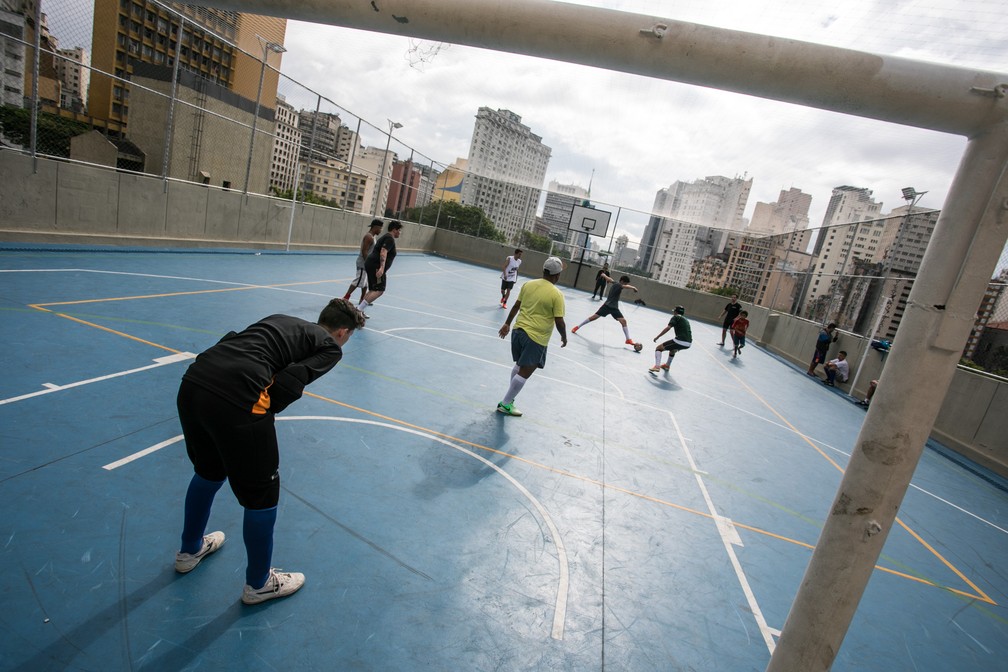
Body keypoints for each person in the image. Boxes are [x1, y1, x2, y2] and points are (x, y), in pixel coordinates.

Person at [174, 298, 366, 605]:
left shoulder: (280, 319)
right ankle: (259, 583)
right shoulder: (331, 347)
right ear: (343, 331)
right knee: (263, 496)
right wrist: (257, 419)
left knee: (208, 470)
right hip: (239, 398)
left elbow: (230, 339)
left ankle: (189, 549)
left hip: (194, 382)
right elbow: (290, 383)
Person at [496, 256, 568, 416]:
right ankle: (506, 403)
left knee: (519, 366)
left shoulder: (528, 284)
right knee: (525, 371)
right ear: (557, 276)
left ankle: (510, 399)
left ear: (543, 270)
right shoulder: (557, 295)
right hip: (536, 337)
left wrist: (507, 323)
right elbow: (559, 321)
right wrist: (564, 336)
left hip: (518, 331)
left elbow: (516, 305)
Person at [570, 273, 639, 347]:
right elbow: (625, 286)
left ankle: (628, 340)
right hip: (607, 306)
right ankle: (577, 327)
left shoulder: (615, 283)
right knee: (594, 317)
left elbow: (609, 279)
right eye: (625, 283)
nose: (625, 284)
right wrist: (633, 288)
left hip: (614, 308)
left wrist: (604, 275)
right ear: (622, 281)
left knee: (623, 321)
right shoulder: (619, 285)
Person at [357, 220, 403, 318]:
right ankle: (358, 310)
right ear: (394, 230)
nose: (400, 232)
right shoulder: (389, 238)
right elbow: (383, 252)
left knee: (373, 289)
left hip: (372, 264)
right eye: (399, 230)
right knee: (379, 290)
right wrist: (382, 268)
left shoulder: (385, 237)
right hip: (376, 266)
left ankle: (360, 310)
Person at [343, 219, 384, 303]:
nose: (381, 230)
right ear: (376, 227)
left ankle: (362, 299)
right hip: (363, 263)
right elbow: (364, 251)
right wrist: (368, 263)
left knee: (365, 284)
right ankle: (345, 297)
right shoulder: (369, 237)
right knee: (358, 281)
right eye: (380, 228)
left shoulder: (373, 237)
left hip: (367, 263)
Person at [649, 305, 692, 373]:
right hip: (688, 343)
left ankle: (657, 367)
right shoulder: (686, 320)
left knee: (659, 348)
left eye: (674, 311)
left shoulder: (676, 317)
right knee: (672, 350)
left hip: (680, 341)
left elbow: (668, 328)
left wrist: (658, 337)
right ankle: (667, 366)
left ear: (675, 311)